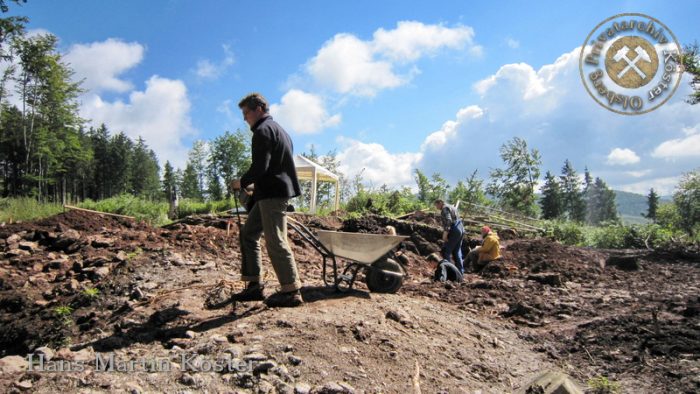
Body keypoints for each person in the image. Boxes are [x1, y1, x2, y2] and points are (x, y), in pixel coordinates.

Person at [230, 93, 303, 308]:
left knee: (275, 240)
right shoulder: (281, 131)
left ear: (258, 109)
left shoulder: (262, 131)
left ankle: (291, 291)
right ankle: (253, 286)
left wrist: (241, 182)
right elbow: (272, 167)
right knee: (249, 234)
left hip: (272, 194)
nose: (245, 118)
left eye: (246, 113)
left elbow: (261, 167)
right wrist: (253, 184)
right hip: (269, 192)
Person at [434, 199, 465, 273]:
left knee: (446, 251)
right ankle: (460, 272)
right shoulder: (452, 207)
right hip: (460, 228)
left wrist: (445, 233)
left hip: (454, 229)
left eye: (436, 205)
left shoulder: (444, 208)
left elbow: (448, 220)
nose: (436, 207)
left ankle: (449, 271)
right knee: (457, 251)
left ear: (440, 203)